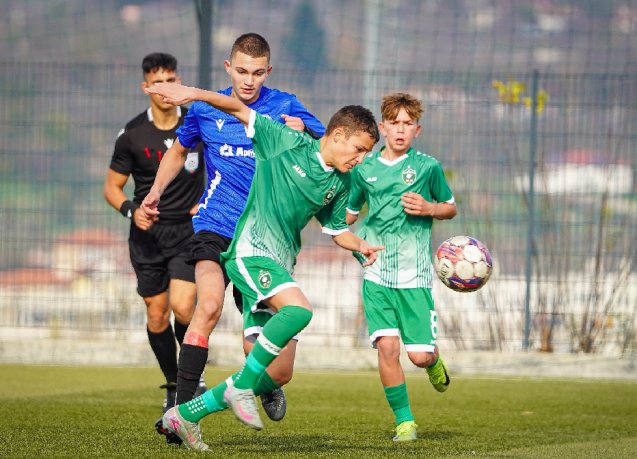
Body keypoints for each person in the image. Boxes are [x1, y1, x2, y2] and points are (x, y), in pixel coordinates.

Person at [142, 80, 383, 450]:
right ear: (338, 135)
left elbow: (336, 230)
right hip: (250, 250)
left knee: (280, 372)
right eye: (359, 149)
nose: (361, 158)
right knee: (298, 311)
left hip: (280, 262)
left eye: (367, 153)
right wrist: (193, 94)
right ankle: (238, 387)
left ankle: (185, 415)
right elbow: (239, 109)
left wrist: (360, 245)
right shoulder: (284, 141)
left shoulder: (341, 181)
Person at [141, 33, 326, 442]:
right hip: (216, 226)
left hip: (263, 238)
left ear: (268, 72)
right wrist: (154, 192)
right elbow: (179, 151)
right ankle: (181, 416)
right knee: (206, 306)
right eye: (241, 71)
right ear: (229, 67)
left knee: (272, 364)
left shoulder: (286, 106)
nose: (248, 80)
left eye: (257, 73)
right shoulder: (205, 109)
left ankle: (265, 382)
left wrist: (305, 133)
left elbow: (332, 146)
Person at [345, 93, 457, 442]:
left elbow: (450, 207)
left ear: (417, 130)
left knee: (419, 356)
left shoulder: (428, 167)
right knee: (388, 348)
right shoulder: (364, 169)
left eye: (408, 124)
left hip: (415, 276)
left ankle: (433, 360)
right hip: (377, 273)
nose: (400, 129)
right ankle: (405, 421)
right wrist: (351, 240)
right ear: (382, 127)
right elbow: (347, 215)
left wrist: (430, 209)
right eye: (394, 123)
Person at [103, 52, 206, 413]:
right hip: (148, 237)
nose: (165, 88)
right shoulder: (132, 135)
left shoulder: (197, 123)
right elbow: (112, 187)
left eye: (171, 80)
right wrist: (132, 212)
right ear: (146, 86)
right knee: (157, 314)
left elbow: (222, 164)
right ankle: (174, 383)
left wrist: (207, 199)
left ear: (179, 81)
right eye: (157, 82)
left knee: (183, 305)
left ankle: (193, 374)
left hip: (188, 232)